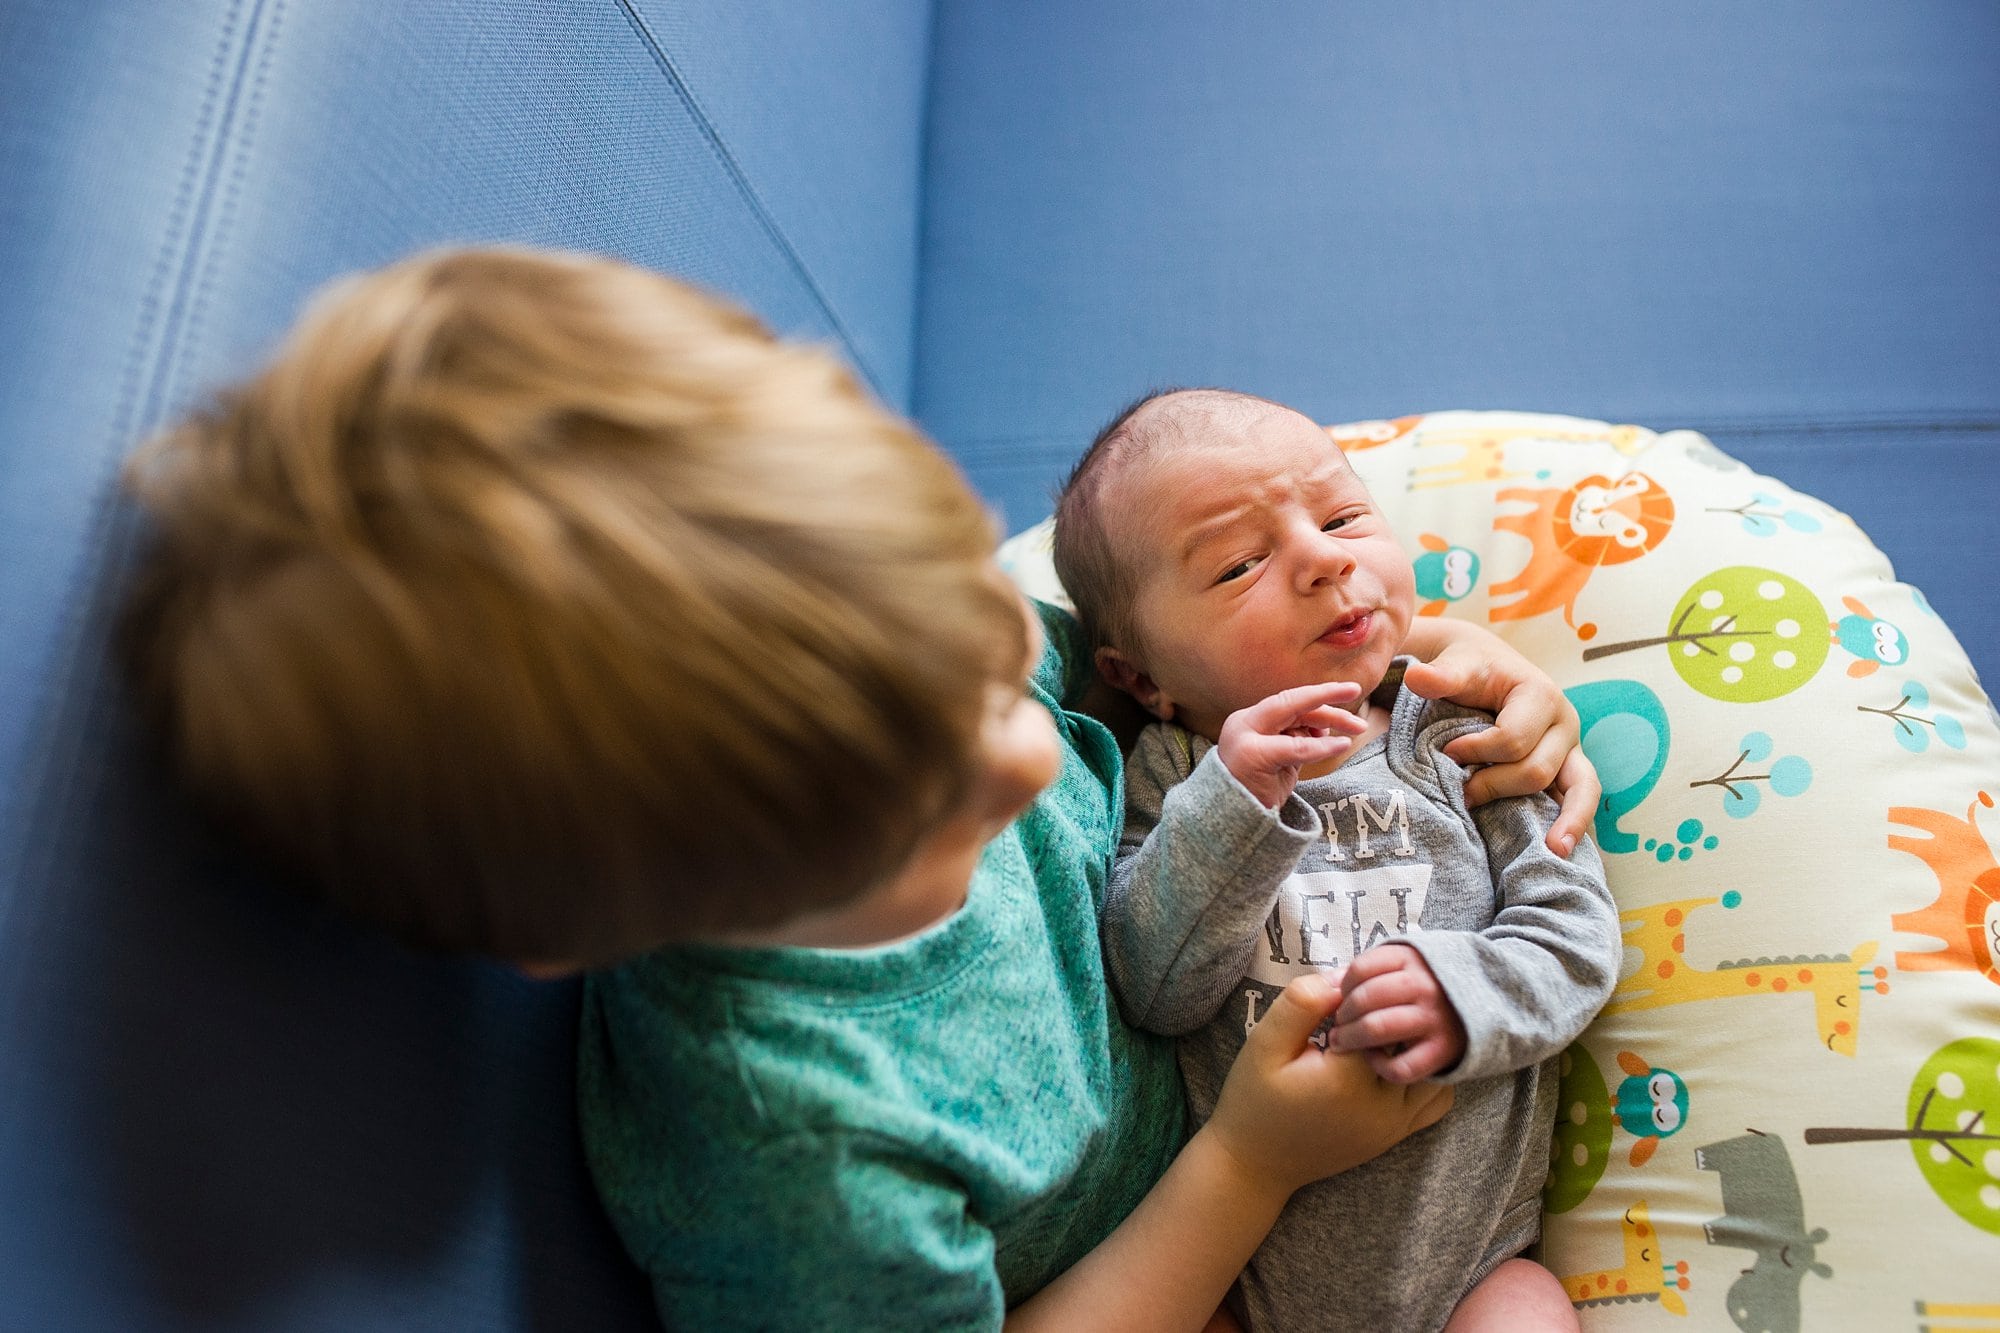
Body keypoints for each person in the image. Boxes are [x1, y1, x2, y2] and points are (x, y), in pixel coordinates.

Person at [118, 250, 1602, 1331]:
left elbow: (1161, 648)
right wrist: (1248, 1169)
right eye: (923, 808)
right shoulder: (797, 1157)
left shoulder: (891, 639)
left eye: (976, 650)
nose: (1026, 754)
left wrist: (1451, 668)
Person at [1051, 388, 1622, 1333]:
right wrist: (1234, 806)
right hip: (1240, 1272)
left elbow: (1575, 939)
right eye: (1239, 564)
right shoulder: (1175, 780)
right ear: (1143, 678)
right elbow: (1156, 988)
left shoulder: (1468, 733)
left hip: (1472, 1271)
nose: (1325, 559)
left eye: (1345, 517)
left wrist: (1459, 987)